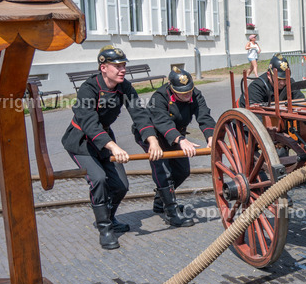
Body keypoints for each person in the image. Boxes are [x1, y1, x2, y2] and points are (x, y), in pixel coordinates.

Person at [61, 45, 162, 250]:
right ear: (103, 67)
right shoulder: (88, 89)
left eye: (123, 65)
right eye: (117, 66)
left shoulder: (124, 86)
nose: (122, 69)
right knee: (98, 179)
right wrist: (113, 146)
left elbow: (139, 113)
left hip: (105, 139)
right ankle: (105, 228)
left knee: (121, 185)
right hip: (81, 140)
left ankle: (110, 216)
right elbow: (89, 123)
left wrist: (153, 140)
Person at [135, 64, 215, 227]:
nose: (187, 95)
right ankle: (171, 213)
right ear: (172, 89)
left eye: (189, 91)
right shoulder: (159, 97)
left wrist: (211, 136)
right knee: (163, 170)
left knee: (182, 171)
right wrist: (180, 140)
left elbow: (204, 116)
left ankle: (160, 202)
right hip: (153, 135)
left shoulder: (195, 94)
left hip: (175, 134)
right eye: (182, 93)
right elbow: (162, 122)